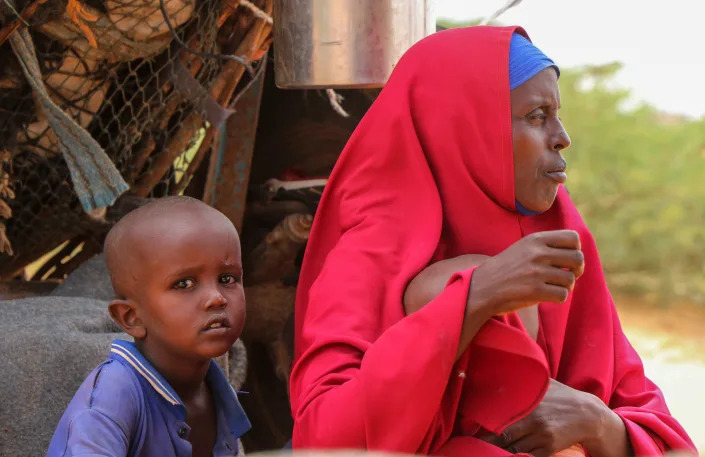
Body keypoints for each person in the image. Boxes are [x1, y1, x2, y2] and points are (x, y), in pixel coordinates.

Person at [289, 26, 697, 457]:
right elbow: (325, 438)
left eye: (557, 115)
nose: (562, 136)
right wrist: (472, 298)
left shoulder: (556, 239)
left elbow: (663, 433)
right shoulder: (371, 253)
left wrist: (597, 423)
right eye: (537, 116)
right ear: (465, 127)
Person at [46, 196, 251, 457]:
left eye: (227, 278)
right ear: (131, 317)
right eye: (184, 284)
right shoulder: (115, 394)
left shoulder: (215, 389)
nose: (216, 298)